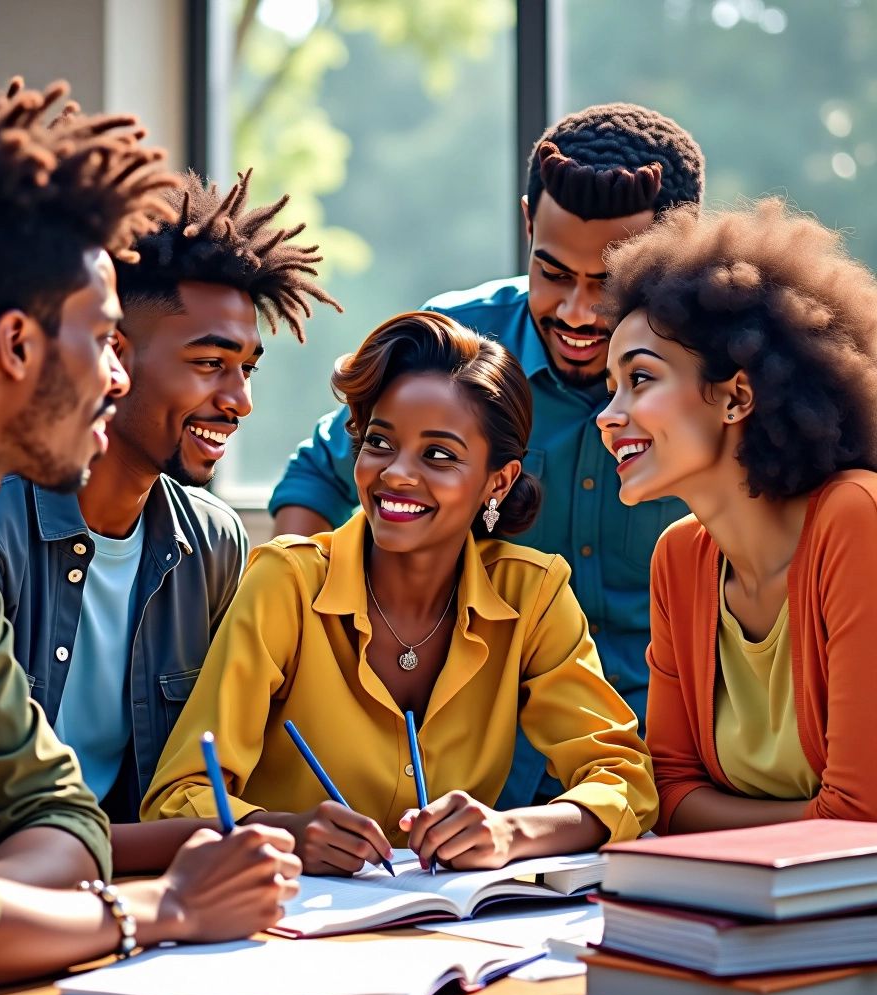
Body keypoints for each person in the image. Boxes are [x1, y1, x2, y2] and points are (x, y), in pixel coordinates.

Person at [0, 71, 299, 995]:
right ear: (17, 346)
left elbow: (56, 805)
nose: (117, 377)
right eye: (103, 340)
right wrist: (159, 914)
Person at [269, 103, 705, 807]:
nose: (577, 313)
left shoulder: (718, 377)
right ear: (528, 224)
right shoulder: (463, 348)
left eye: (610, 284)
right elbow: (321, 472)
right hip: (477, 787)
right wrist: (317, 652)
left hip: (663, 780)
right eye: (554, 273)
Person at [144, 311, 656, 873]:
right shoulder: (285, 582)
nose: (397, 474)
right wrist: (287, 833)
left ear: (498, 481)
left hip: (452, 933)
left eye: (438, 455)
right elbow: (177, 798)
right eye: (380, 442)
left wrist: (510, 831)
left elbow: (624, 779)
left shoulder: (532, 596)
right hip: (285, 926)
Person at [0, 169, 341, 838]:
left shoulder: (214, 544)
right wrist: (240, 840)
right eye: (209, 363)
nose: (239, 400)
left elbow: (202, 780)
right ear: (113, 354)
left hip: (151, 901)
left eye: (247, 368)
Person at [596, 198, 877, 835]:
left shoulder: (855, 519)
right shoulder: (680, 558)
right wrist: (811, 819)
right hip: (746, 908)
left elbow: (859, 819)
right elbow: (666, 794)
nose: (608, 417)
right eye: (610, 387)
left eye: (640, 380)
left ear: (736, 397)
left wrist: (729, 821)